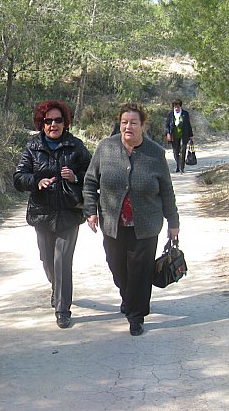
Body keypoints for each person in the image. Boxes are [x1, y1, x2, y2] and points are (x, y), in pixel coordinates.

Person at [83, 103, 179, 336]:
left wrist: (173, 222)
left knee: (140, 270)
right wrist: (91, 210)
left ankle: (136, 315)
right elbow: (90, 182)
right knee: (117, 267)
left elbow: (166, 190)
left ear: (143, 126)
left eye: (133, 122)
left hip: (145, 225)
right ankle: (128, 297)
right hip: (113, 223)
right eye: (124, 122)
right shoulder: (105, 148)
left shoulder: (155, 153)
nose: (128, 126)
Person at [13, 100, 92, 329]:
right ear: (42, 123)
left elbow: (92, 174)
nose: (53, 124)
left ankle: (62, 309)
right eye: (49, 121)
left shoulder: (75, 146)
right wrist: (37, 180)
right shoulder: (33, 147)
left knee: (62, 262)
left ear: (65, 123)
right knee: (48, 261)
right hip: (42, 213)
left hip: (68, 212)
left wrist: (75, 177)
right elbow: (19, 177)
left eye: (58, 120)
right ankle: (56, 288)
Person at [164, 99, 194, 173]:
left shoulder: (185, 113)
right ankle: (178, 164)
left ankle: (182, 167)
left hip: (184, 134)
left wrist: (190, 135)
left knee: (183, 150)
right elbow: (167, 125)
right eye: (175, 107)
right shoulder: (170, 114)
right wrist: (167, 133)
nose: (176, 108)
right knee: (175, 151)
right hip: (174, 134)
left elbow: (188, 124)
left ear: (180, 106)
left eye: (178, 107)